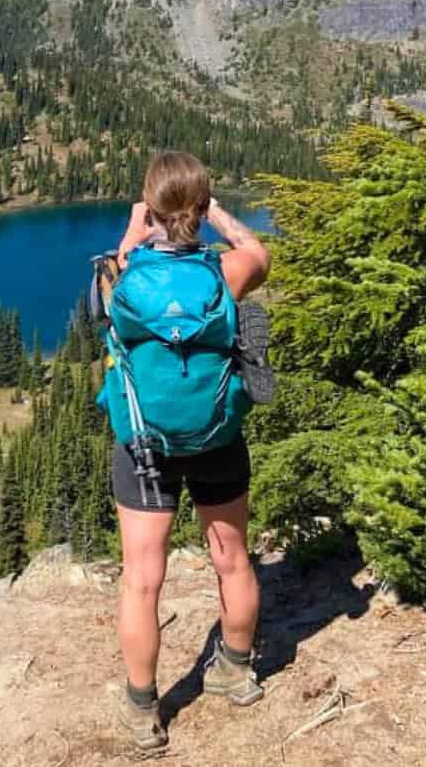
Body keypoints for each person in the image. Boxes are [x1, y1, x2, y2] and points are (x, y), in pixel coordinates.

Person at [109, 150, 271, 753]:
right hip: (217, 436)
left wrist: (135, 226)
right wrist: (222, 218)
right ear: (200, 211)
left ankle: (143, 713)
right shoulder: (223, 274)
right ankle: (235, 671)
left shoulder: (125, 277)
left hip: (144, 444)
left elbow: (120, 268)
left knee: (143, 579)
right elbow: (260, 255)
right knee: (232, 559)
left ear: (152, 209)